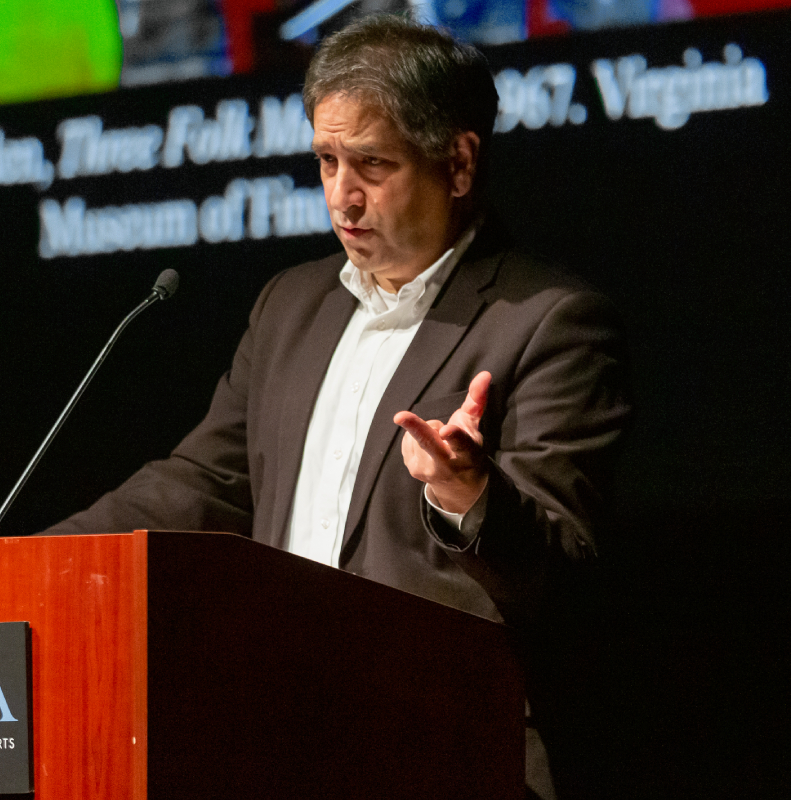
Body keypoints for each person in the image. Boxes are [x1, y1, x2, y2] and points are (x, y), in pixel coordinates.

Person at [43, 15, 630, 799]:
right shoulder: (292, 304)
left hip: (447, 755)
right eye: (326, 161)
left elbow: (567, 573)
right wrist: (34, 561)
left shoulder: (550, 322)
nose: (342, 197)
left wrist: (470, 497)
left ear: (457, 163)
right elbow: (202, 484)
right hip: (282, 744)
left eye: (373, 165)